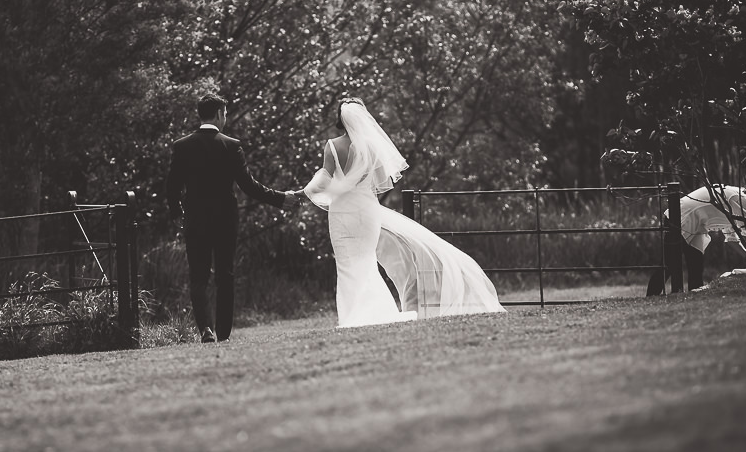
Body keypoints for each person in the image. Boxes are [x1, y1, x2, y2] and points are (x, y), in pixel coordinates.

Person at [293, 98, 505, 327]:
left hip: (342, 213)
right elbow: (379, 179)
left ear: (340, 119)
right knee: (367, 261)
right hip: (367, 211)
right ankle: (377, 313)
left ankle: (355, 317)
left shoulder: (333, 145)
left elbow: (325, 177)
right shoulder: (372, 147)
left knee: (347, 264)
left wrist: (302, 193)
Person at [166, 92, 293, 343]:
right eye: (225, 113)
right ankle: (223, 332)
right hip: (225, 219)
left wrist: (177, 214)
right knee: (225, 274)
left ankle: (206, 330)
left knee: (198, 276)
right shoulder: (231, 144)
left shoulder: (182, 146)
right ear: (219, 114)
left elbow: (172, 187)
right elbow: (249, 186)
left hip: (196, 220)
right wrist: (280, 198)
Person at [647, 184, 746, 295]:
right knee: (669, 264)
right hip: (681, 216)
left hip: (698, 224)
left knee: (696, 265)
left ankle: (693, 297)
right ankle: (650, 297)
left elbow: (732, 240)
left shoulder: (736, 206)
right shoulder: (744, 201)